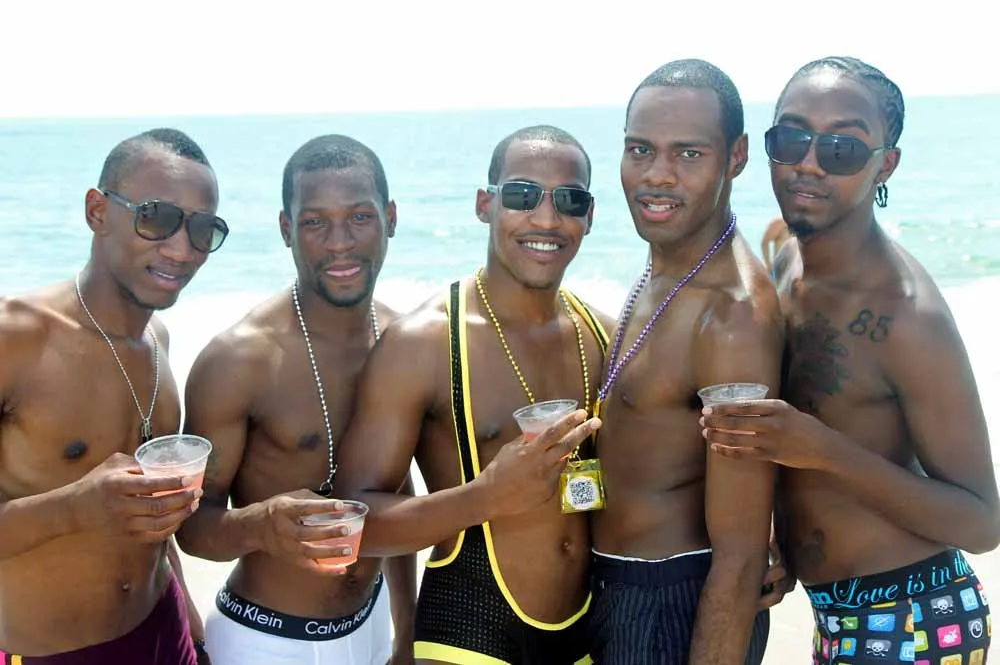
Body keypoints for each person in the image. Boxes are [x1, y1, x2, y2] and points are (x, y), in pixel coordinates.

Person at [701, 56, 1000, 665]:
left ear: (884, 164)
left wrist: (821, 449)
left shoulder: (907, 316)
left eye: (842, 148)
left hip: (914, 619)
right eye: (792, 139)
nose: (810, 163)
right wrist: (780, 541)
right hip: (838, 615)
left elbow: (981, 522)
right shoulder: (786, 258)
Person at [332, 125, 610, 664]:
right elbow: (353, 523)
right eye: (522, 196)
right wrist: (485, 497)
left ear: (589, 216)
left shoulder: (601, 334)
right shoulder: (425, 343)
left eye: (569, 201)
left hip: (586, 633)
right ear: (486, 205)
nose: (546, 219)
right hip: (468, 627)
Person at [175, 135, 416, 665]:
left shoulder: (405, 343)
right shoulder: (239, 360)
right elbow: (191, 526)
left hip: (373, 623)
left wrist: (408, 633)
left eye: (359, 217)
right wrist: (262, 524)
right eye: (314, 222)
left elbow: (398, 488)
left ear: (390, 218)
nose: (339, 243)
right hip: (267, 640)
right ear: (287, 230)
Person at [0, 128, 228, 664]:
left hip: (164, 631)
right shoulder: (16, 340)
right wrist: (73, 507)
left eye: (202, 229)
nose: (182, 248)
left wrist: (192, 628)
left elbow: (153, 525)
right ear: (97, 211)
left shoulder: (158, 342)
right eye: (157, 218)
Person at [588, 59, 782, 665]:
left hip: (671, 604)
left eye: (689, 154)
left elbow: (742, 554)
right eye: (640, 149)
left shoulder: (730, 315)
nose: (657, 175)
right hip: (618, 593)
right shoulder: (668, 265)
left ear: (736, 157)